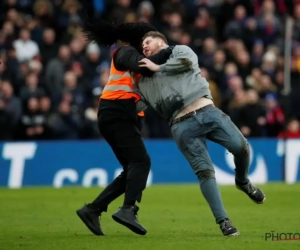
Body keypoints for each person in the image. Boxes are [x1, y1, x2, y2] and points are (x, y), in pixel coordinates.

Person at [135, 31, 266, 236]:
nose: (144, 46)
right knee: (205, 172)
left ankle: (242, 182)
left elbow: (187, 62)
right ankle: (224, 221)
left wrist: (158, 66)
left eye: (148, 42)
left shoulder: (180, 51)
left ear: (161, 41)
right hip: (180, 124)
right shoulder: (143, 80)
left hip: (207, 111)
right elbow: (139, 105)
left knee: (241, 148)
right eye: (142, 45)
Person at [75, 19, 173, 237]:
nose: (146, 46)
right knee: (141, 162)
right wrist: (172, 51)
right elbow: (144, 67)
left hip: (119, 114)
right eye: (144, 41)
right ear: (137, 41)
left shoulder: (133, 56)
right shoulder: (125, 53)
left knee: (132, 170)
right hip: (116, 112)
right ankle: (128, 209)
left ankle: (92, 210)